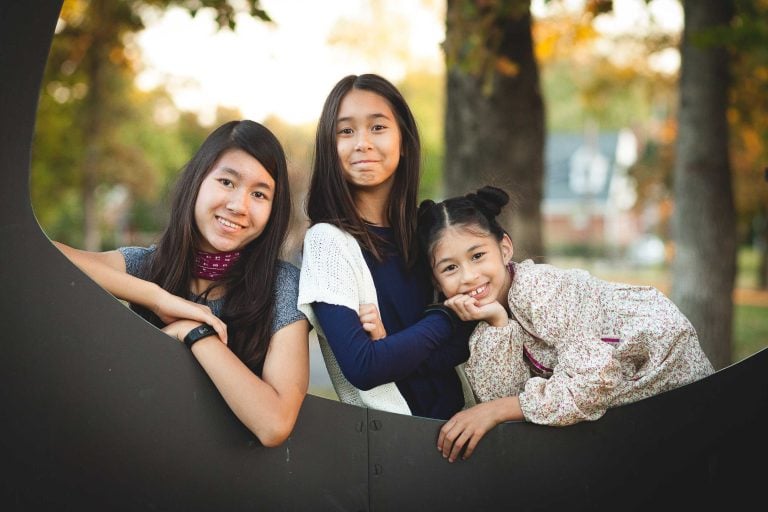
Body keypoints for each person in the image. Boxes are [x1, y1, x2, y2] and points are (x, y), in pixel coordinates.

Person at [53, 120, 310, 447]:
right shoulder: (148, 265)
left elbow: (274, 424)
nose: (238, 205)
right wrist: (156, 297)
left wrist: (193, 333)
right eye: (227, 181)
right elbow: (45, 253)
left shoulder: (283, 286)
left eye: (259, 193)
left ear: (274, 210)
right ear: (197, 181)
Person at [416, 185, 715, 461]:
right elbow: (508, 403)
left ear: (504, 249)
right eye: (450, 268)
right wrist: (497, 322)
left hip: (668, 375)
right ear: (436, 281)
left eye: (478, 255)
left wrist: (494, 411)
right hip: (630, 413)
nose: (468, 276)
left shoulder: (541, 289)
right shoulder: (487, 318)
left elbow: (593, 382)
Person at [297, 73, 474, 420]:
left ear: (404, 140)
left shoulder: (430, 230)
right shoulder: (327, 243)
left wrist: (394, 342)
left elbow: (471, 337)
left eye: (377, 127)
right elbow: (365, 366)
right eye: (345, 131)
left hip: (466, 428)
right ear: (329, 148)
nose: (362, 142)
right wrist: (448, 315)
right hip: (394, 445)